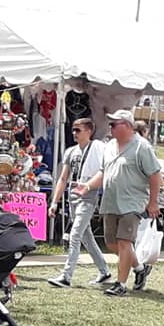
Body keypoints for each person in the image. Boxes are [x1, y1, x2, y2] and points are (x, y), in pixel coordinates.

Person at [76, 109, 162, 297]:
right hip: (111, 202)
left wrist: (153, 202)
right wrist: (88, 186)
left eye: (114, 124)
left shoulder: (142, 147)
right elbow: (103, 172)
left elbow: (155, 175)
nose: (111, 128)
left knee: (124, 242)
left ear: (128, 126)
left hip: (132, 202)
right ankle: (139, 269)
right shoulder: (109, 146)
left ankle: (121, 284)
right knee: (112, 243)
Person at [47, 118, 112, 288]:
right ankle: (104, 271)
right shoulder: (70, 152)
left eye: (78, 130)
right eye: (73, 130)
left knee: (75, 235)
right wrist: (54, 202)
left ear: (89, 131)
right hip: (73, 195)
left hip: (88, 196)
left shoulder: (98, 150)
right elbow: (63, 178)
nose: (74, 133)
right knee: (86, 237)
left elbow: (103, 172)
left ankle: (66, 276)